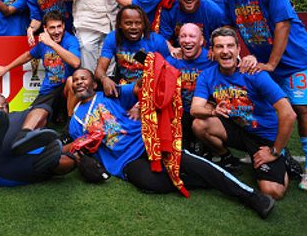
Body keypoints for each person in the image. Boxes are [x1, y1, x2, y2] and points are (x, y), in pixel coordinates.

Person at [69, 68, 276, 219]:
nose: (79, 82)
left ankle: (253, 197)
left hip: (146, 140)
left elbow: (144, 85)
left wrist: (108, 80)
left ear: (93, 83)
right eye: (75, 80)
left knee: (187, 162)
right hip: (124, 161)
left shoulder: (109, 94)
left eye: (84, 78)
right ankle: (206, 180)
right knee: (148, 183)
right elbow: (81, 148)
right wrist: (82, 162)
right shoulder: (75, 121)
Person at [223, 0, 307, 191]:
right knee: (262, 105)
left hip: (294, 58)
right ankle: (275, 152)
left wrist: (272, 65)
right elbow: (232, 28)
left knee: (300, 109)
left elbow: (282, 25)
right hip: (264, 59)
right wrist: (238, 56)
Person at [191, 28, 297, 200]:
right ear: (212, 51)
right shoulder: (207, 76)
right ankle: (226, 157)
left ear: (238, 50)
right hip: (239, 128)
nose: (225, 51)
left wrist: (274, 151)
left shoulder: (254, 74)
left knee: (272, 192)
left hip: (264, 136)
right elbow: (195, 109)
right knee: (199, 124)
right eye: (219, 47)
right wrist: (213, 111)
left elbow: (289, 114)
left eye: (230, 46)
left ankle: (283, 157)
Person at [0, 11, 80, 151]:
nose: (57, 31)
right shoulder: (42, 44)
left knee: (71, 81)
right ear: (45, 28)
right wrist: (6, 68)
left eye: (59, 27)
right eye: (52, 28)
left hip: (66, 92)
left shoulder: (70, 40)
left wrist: (51, 43)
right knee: (38, 117)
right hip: (49, 90)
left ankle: (69, 128)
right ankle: (23, 139)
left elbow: (75, 63)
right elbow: (28, 55)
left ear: (64, 26)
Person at [96, 5, 170, 94]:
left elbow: (168, 72)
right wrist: (104, 79)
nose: (134, 27)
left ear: (143, 24)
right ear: (120, 24)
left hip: (149, 87)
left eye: (138, 23)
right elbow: (99, 70)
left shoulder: (157, 41)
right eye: (128, 23)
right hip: (124, 85)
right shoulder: (113, 38)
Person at [159, 0, 226, 50]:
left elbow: (224, 40)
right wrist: (171, 49)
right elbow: (163, 39)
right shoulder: (169, 10)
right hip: (179, 56)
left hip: (206, 57)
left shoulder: (213, 11)